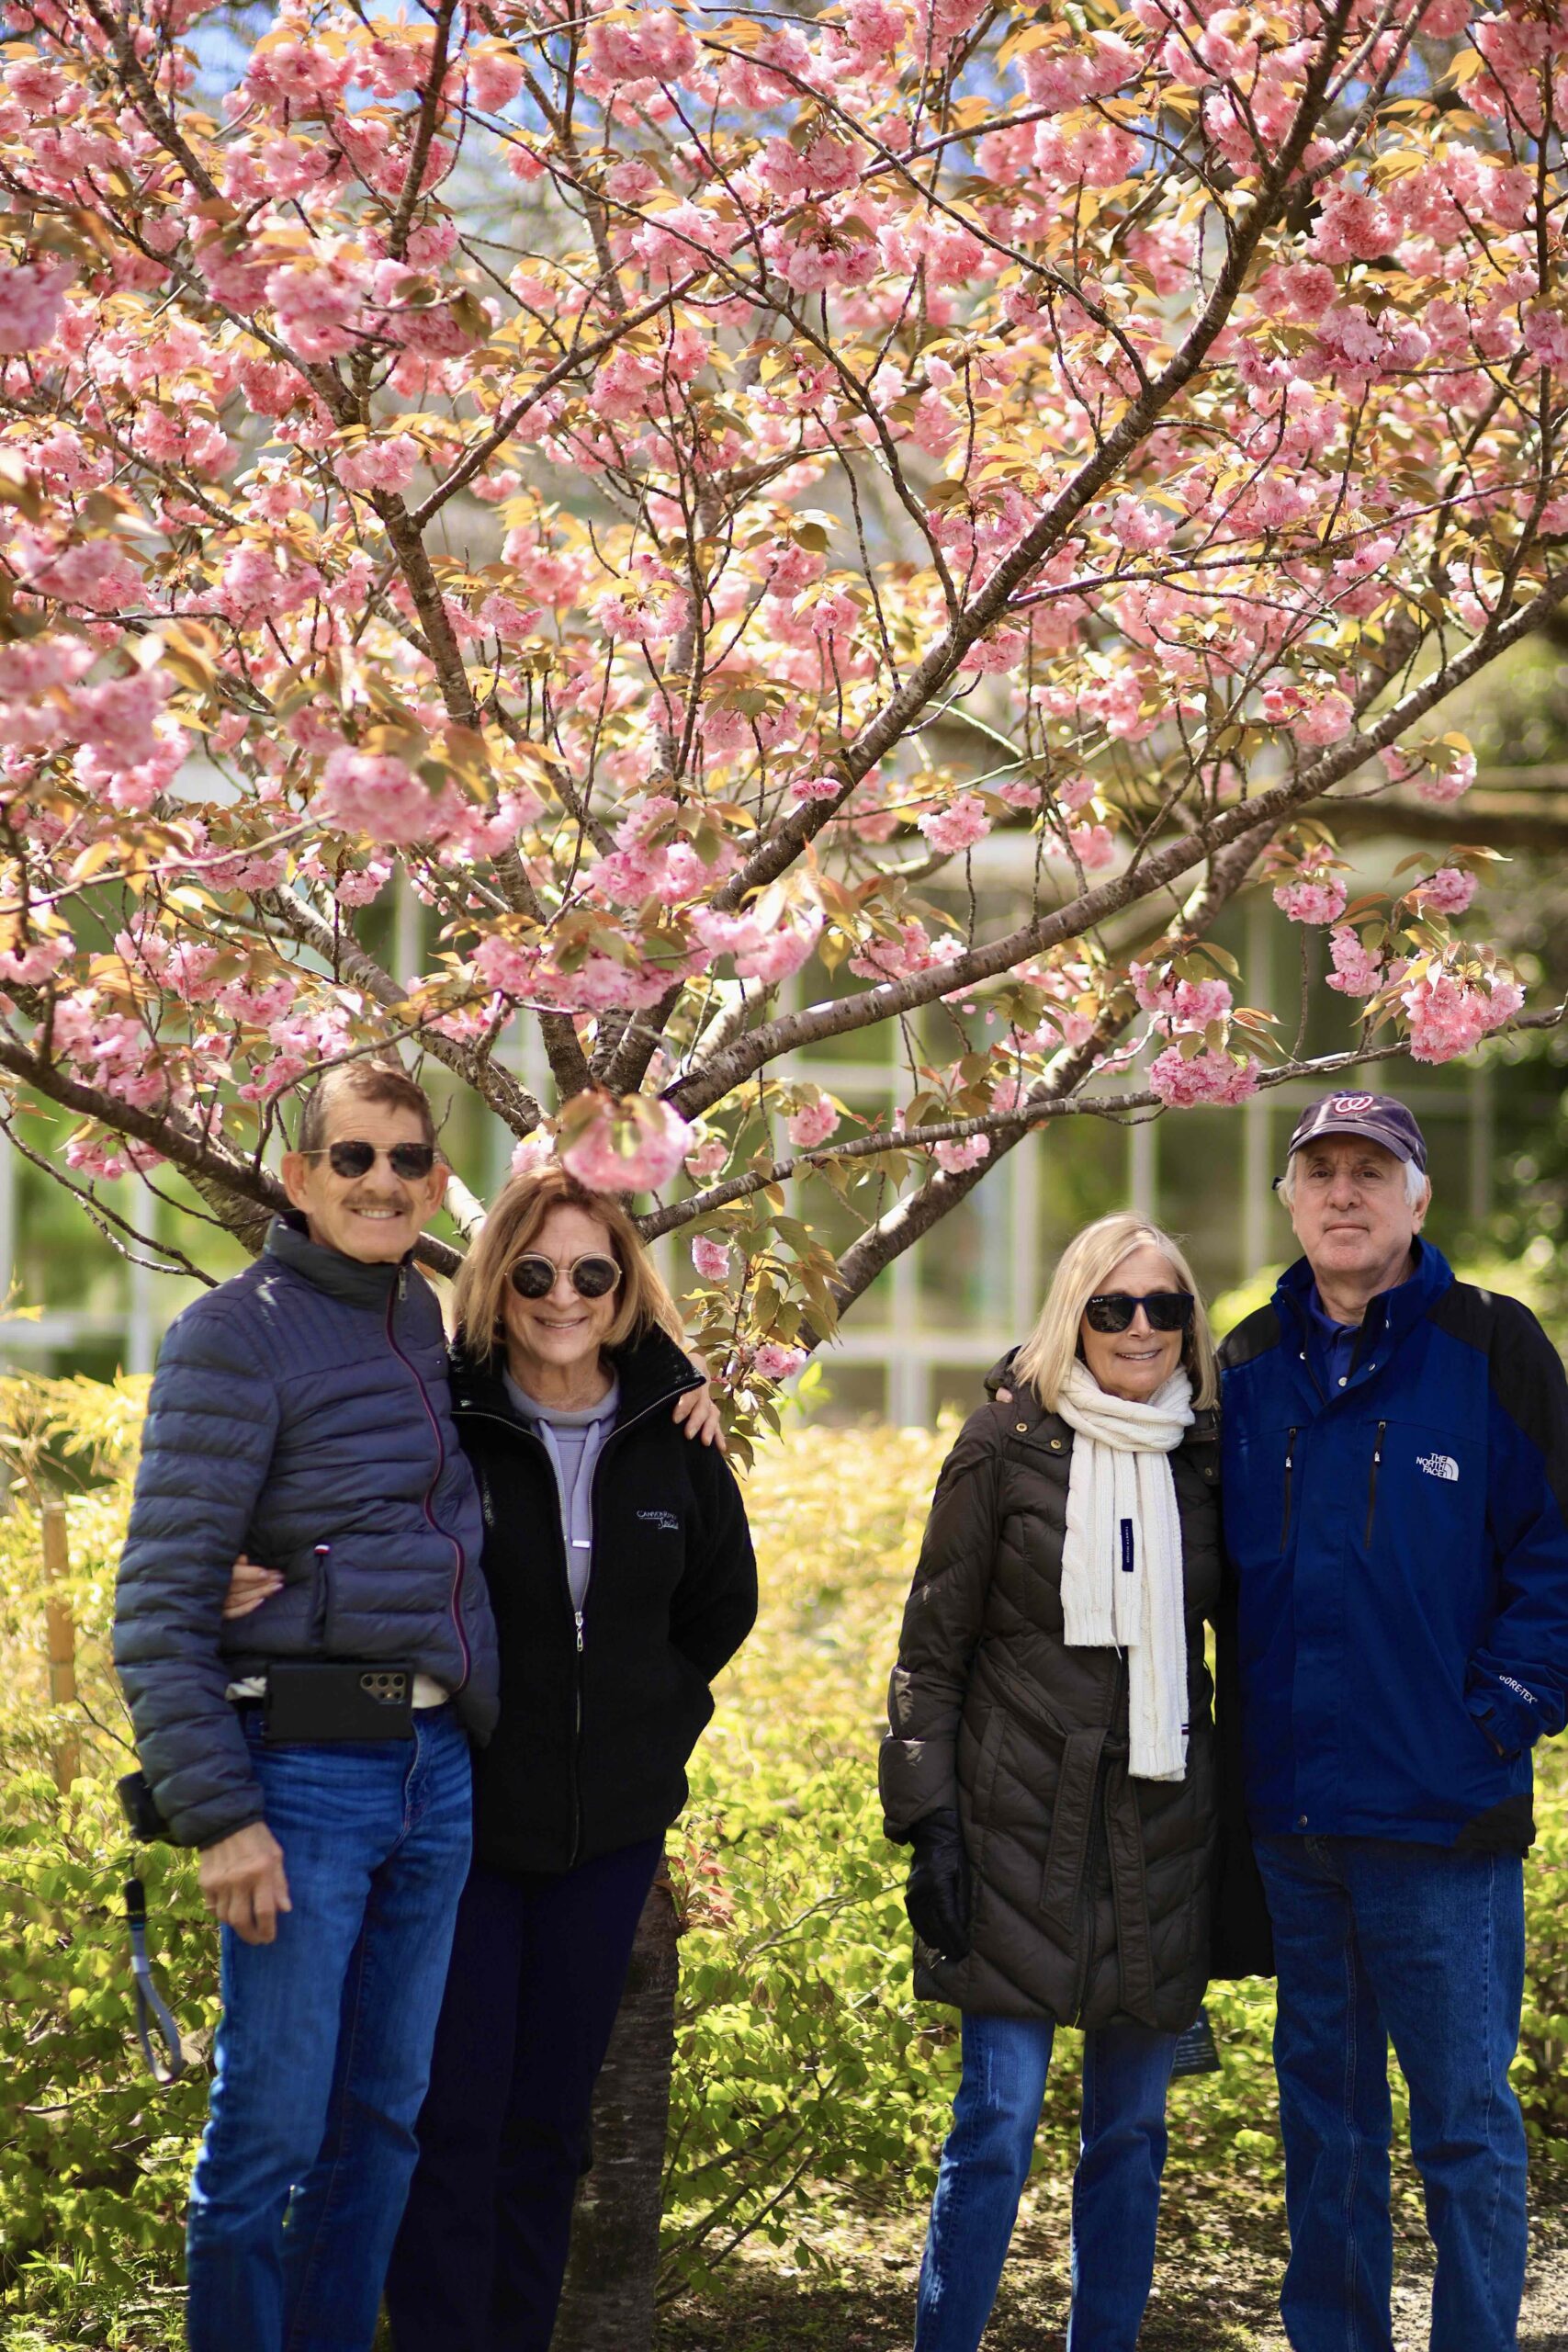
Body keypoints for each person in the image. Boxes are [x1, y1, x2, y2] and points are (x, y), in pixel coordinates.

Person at [113, 1060, 500, 2352]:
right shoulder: (234, 1331)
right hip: (300, 1778)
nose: (380, 1182)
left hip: (433, 1770)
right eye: (352, 1159)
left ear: (435, 1183)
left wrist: (685, 1386)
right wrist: (220, 1815)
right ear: (298, 1178)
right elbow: (158, 1609)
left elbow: (584, 1335)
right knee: (270, 2130)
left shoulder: (435, 1324)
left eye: (405, 1162)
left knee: (382, 2120)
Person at [376, 1163, 757, 2347]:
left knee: (551, 2130)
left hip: (609, 1839)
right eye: (535, 1272)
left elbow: (720, 1606)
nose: (562, 1296)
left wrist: (649, 1724)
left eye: (591, 1272)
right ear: (499, 1281)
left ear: (624, 1284)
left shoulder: (674, 1424)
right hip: (467, 1823)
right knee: (454, 2124)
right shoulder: (448, 1415)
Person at [1219, 1090, 1568, 2352]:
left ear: (1416, 1198)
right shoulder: (1247, 1363)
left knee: (1462, 2123)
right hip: (1295, 1818)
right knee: (1322, 2122)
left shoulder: (1493, 1348)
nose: (1342, 1194)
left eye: (1370, 1170)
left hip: (1440, 1817)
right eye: (1318, 1172)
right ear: (1290, 1202)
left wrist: (1505, 1711)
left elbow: (1554, 1551)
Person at [881, 1210, 1224, 2352]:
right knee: (996, 2123)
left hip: (1160, 1828)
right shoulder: (1001, 1443)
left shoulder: (1206, 1456)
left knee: (1130, 2134)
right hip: (1014, 1822)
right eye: (1112, 1305)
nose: (1138, 1327)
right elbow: (930, 1652)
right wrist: (926, 1822)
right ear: (1072, 1312)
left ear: (1189, 1327)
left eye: (1164, 1307)